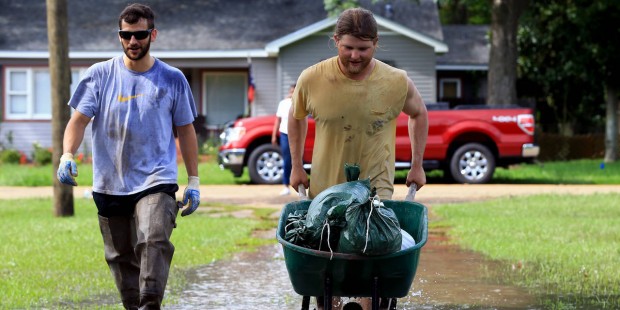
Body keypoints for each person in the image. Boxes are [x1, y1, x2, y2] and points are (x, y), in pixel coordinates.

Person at [56, 3, 200, 309]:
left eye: (139, 35)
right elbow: (78, 121)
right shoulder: (99, 75)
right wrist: (67, 154)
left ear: (153, 34)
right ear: (120, 36)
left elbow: (186, 131)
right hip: (110, 181)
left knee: (153, 239)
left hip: (156, 179)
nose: (133, 41)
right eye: (126, 35)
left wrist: (194, 180)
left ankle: (150, 303)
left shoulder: (172, 79)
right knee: (119, 256)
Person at [287, 7, 428, 309]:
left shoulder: (395, 80)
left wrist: (417, 165)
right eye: (348, 47)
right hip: (325, 192)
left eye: (363, 48)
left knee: (371, 268)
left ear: (376, 44)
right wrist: (297, 166)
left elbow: (419, 113)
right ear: (335, 40)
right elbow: (296, 117)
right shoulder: (312, 78)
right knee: (329, 272)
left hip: (376, 193)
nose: (354, 56)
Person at [271, 84, 296, 196]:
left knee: (297, 160)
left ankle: (297, 185)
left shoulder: (300, 102)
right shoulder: (283, 103)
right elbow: (278, 120)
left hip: (297, 135)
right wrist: (274, 135)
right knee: (286, 159)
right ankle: (286, 185)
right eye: (291, 91)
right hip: (285, 133)